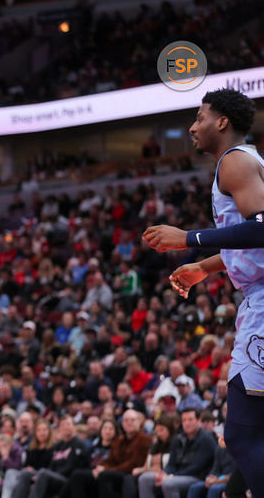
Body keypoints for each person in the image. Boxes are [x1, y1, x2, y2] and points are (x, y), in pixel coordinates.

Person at [143, 88, 263, 496]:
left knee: (242, 436)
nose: (193, 127)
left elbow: (263, 229)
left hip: (263, 302)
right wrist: (206, 267)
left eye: (200, 117)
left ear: (222, 122)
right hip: (256, 295)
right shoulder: (244, 163)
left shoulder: (235, 162)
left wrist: (188, 239)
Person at [137, 409, 216, 498]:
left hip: (196, 477)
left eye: (190, 420)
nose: (187, 423)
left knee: (168, 483)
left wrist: (171, 476)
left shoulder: (206, 439)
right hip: (177, 475)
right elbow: (171, 464)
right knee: (144, 478)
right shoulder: (178, 439)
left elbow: (196, 468)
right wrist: (163, 473)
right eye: (184, 420)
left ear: (198, 421)